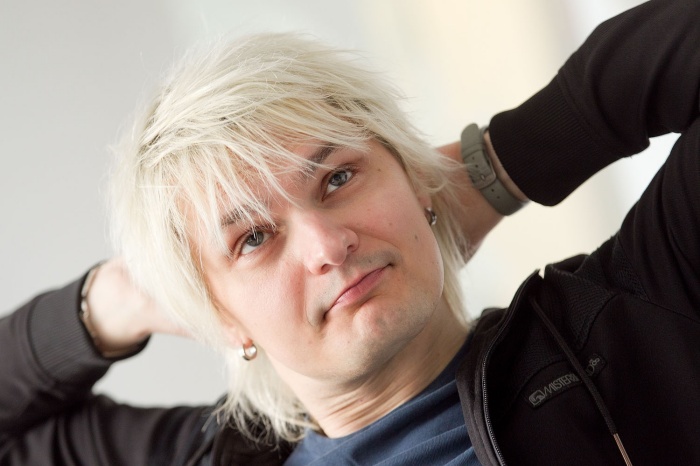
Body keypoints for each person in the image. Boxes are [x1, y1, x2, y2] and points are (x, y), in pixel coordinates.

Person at [1, 0, 699, 464]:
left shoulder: (631, 318)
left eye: (338, 178)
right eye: (252, 239)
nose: (327, 245)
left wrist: (498, 166)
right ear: (219, 313)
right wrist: (116, 300)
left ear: (414, 178)